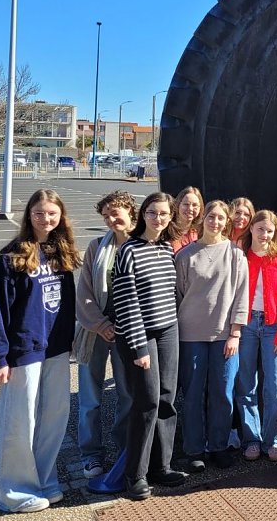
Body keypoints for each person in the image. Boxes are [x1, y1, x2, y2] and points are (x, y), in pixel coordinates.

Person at [0, 189, 79, 513]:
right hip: (24, 350)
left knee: (53, 418)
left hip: (55, 350)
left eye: (52, 213)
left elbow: (66, 303)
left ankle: (42, 479)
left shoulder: (59, 252)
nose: (46, 219)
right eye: (39, 213)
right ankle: (15, 492)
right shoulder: (10, 256)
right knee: (19, 421)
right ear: (29, 215)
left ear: (60, 216)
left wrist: (70, 342)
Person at [113, 191, 185, 500]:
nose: (158, 218)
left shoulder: (166, 248)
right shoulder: (128, 250)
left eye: (164, 214)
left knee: (167, 398)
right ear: (143, 214)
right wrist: (139, 347)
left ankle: (161, 466)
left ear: (170, 217)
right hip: (140, 336)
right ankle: (135, 474)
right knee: (147, 401)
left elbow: (171, 293)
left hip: (168, 330)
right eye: (153, 212)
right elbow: (126, 303)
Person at [175, 200, 249, 472]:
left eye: (220, 218)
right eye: (210, 216)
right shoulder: (185, 256)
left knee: (222, 392)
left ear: (226, 221)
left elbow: (242, 294)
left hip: (224, 336)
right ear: (202, 218)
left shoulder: (235, 254)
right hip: (190, 335)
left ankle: (218, 445)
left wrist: (235, 332)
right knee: (193, 394)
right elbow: (179, 294)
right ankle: (195, 449)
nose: (215, 222)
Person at [74, 190, 136, 480]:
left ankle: (124, 449)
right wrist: (100, 324)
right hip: (95, 331)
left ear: (130, 211)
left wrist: (124, 326)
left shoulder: (144, 246)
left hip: (129, 331)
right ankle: (91, 454)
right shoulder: (97, 246)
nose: (113, 218)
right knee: (90, 396)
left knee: (127, 393)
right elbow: (84, 292)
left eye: (117, 212)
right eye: (107, 215)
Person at [237, 210, 277, 461]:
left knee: (274, 388)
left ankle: (271, 438)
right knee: (246, 384)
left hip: (273, 327)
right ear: (251, 229)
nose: (264, 234)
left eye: (269, 231)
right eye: (260, 229)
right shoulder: (241, 256)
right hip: (247, 323)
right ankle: (251, 439)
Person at [171, 185, 204, 253]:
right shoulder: (168, 230)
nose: (190, 209)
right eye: (186, 204)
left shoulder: (201, 232)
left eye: (195, 205)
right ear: (178, 205)